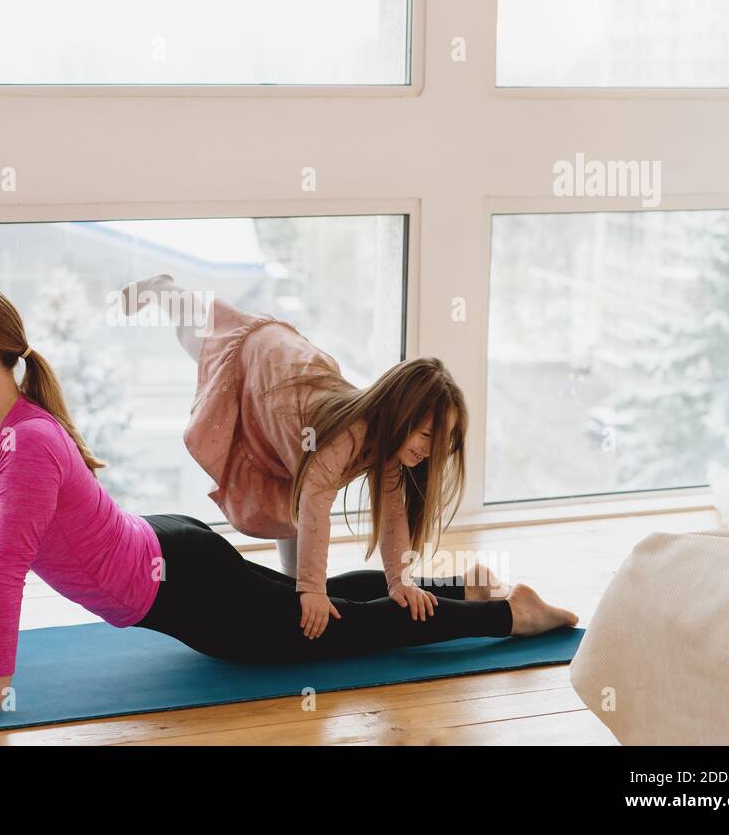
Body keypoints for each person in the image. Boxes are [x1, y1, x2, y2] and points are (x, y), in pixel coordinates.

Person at [0, 284, 578, 729]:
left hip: (181, 585)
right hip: (171, 561)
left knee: (342, 630)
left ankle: (508, 614)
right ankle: (463, 588)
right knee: (318, 601)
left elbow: (8, 567)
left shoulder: (28, 444)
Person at [119, 273, 487, 639]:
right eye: (425, 435)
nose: (428, 450)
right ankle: (164, 290)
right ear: (401, 412)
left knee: (291, 510)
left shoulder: (390, 447)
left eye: (439, 443)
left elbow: (393, 513)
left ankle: (293, 589)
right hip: (263, 359)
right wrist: (313, 589)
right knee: (197, 337)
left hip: (294, 406)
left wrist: (400, 581)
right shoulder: (344, 436)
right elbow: (315, 509)